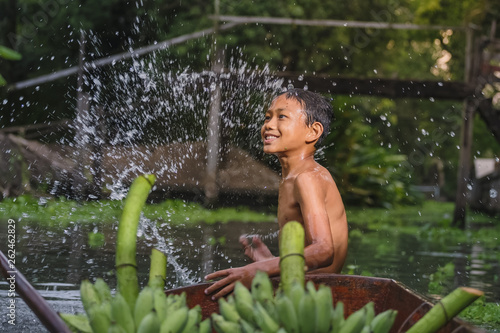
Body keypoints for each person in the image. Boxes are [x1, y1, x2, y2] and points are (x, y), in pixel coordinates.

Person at [204, 88, 348, 300]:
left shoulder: (307, 178)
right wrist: (271, 260)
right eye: (267, 117)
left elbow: (325, 251)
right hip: (302, 289)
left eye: (282, 117)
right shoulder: (292, 177)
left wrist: (257, 270)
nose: (268, 125)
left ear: (313, 132)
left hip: (317, 298)